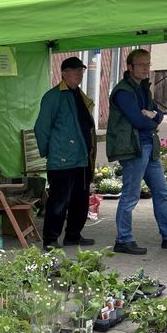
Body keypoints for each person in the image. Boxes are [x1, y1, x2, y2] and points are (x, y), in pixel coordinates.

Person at [106, 49, 167, 255]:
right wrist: (153, 121)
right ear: (130, 67)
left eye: (148, 64)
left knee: (162, 191)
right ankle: (123, 240)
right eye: (141, 65)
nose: (146, 68)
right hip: (133, 148)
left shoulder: (143, 88)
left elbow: (160, 114)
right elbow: (137, 120)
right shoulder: (123, 92)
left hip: (148, 145)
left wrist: (153, 117)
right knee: (130, 195)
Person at [33, 56, 97, 249]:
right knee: (58, 202)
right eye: (74, 70)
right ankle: (51, 239)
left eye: (81, 70)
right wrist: (50, 152)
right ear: (64, 73)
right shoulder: (53, 97)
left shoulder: (79, 95)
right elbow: (41, 128)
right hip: (62, 159)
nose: (79, 74)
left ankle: (73, 235)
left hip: (81, 158)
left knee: (80, 201)